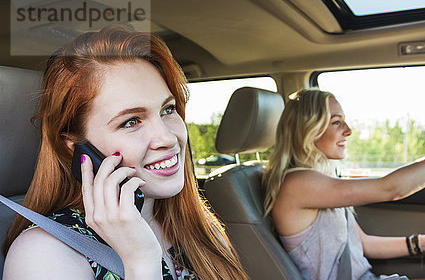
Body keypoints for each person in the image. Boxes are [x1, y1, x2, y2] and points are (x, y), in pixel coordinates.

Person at [2, 26, 248, 279]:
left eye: (168, 109)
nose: (167, 137)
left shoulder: (199, 227)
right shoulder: (44, 255)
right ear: (76, 146)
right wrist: (141, 262)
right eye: (131, 121)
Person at [262, 89, 425, 280]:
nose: (348, 130)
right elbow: (391, 188)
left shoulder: (319, 182)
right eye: (336, 122)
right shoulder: (296, 184)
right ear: (307, 129)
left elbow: (363, 244)